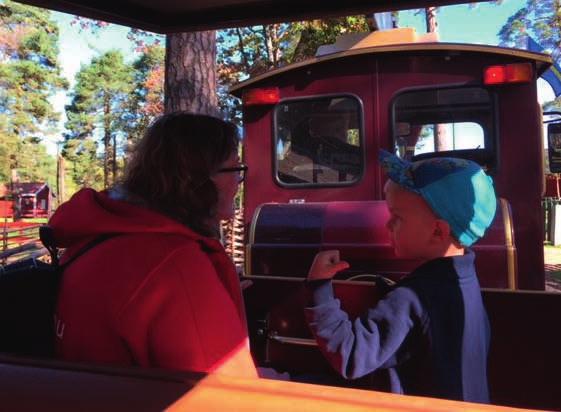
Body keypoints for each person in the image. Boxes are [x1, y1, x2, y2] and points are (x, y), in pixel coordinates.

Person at [50, 112, 257, 378]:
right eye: (235, 169)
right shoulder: (174, 264)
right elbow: (228, 394)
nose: (239, 182)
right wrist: (200, 293)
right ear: (198, 178)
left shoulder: (94, 239)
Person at [305, 150, 496, 403]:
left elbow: (350, 355)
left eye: (397, 217)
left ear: (438, 231)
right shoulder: (466, 282)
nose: (387, 225)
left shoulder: (413, 297)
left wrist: (318, 287)